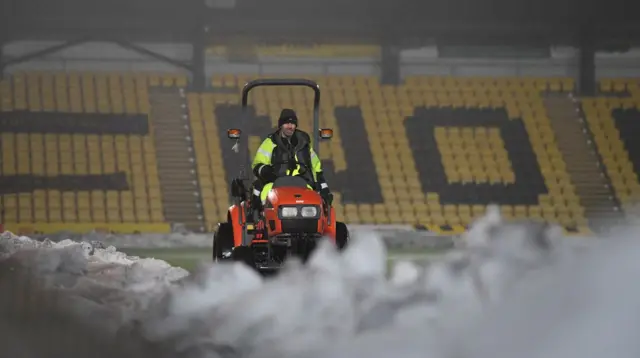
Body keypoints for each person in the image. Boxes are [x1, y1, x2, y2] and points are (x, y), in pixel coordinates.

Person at [250, 108, 333, 215]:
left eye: (293, 123)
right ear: (281, 125)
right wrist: (265, 170)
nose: (290, 126)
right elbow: (257, 164)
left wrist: (324, 188)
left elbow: (316, 167)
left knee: (316, 201)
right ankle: (262, 220)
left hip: (303, 183)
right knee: (263, 195)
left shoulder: (305, 144)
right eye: (287, 123)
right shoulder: (270, 143)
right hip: (276, 183)